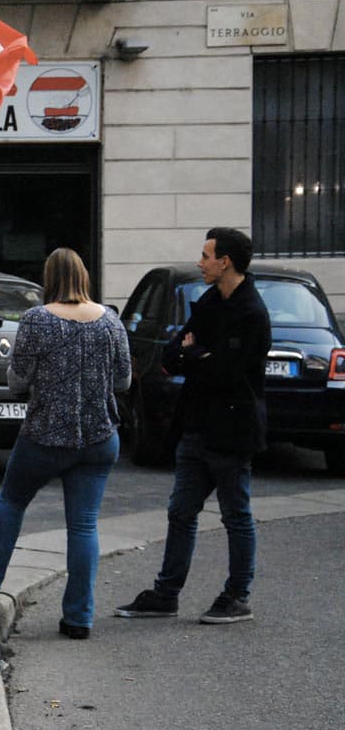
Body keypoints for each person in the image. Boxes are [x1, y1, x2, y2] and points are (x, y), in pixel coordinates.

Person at [0, 248, 130, 640]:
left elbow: (18, 379)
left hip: (45, 435)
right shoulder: (111, 321)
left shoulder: (37, 319)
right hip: (100, 437)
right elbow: (124, 381)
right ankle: (78, 619)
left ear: (49, 278)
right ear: (84, 276)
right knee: (83, 525)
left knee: (12, 501)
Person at [115, 228, 270, 625]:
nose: (200, 263)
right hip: (196, 426)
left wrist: (196, 354)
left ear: (225, 262)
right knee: (181, 512)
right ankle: (166, 595)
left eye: (206, 256)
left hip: (231, 431)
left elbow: (226, 373)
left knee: (236, 515)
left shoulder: (252, 313)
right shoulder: (209, 303)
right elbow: (172, 356)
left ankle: (237, 596)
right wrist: (199, 356)